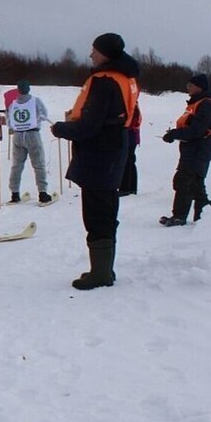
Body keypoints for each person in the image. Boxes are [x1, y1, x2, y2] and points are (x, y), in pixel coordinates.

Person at [51, 33, 140, 290]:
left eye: (95, 50)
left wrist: (62, 129)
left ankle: (100, 273)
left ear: (107, 54)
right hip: (115, 147)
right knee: (107, 208)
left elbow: (91, 125)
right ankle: (104, 269)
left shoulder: (103, 81)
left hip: (100, 152)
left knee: (97, 211)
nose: (91, 55)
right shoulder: (126, 78)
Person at [159, 73, 211, 226]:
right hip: (194, 150)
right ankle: (205, 215)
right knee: (195, 184)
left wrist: (174, 134)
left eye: (190, 85)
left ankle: (179, 217)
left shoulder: (205, 104)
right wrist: (175, 134)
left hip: (198, 150)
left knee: (183, 181)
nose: (188, 87)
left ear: (199, 87)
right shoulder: (199, 103)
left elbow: (197, 130)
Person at [6, 79, 52, 204]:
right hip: (33, 134)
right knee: (38, 164)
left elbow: (9, 121)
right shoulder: (35, 101)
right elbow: (44, 114)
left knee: (17, 165)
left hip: (17, 136)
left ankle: (14, 193)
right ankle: (42, 193)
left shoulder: (13, 104)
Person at [118, 100, 142, 196]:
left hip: (130, 135)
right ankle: (131, 187)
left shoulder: (131, 104)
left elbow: (132, 121)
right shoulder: (132, 103)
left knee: (127, 160)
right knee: (130, 160)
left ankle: (126, 187)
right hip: (131, 135)